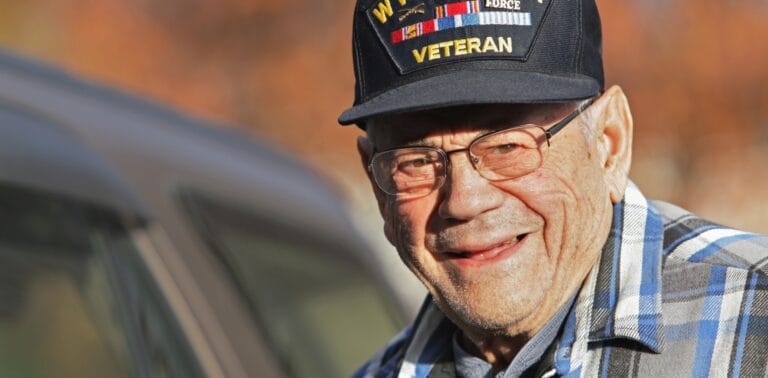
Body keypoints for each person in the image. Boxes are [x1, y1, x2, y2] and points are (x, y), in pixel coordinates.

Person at [338, 0, 768, 376]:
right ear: (377, 187)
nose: (465, 201)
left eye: (508, 145)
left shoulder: (755, 320)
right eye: (415, 161)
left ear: (609, 143)